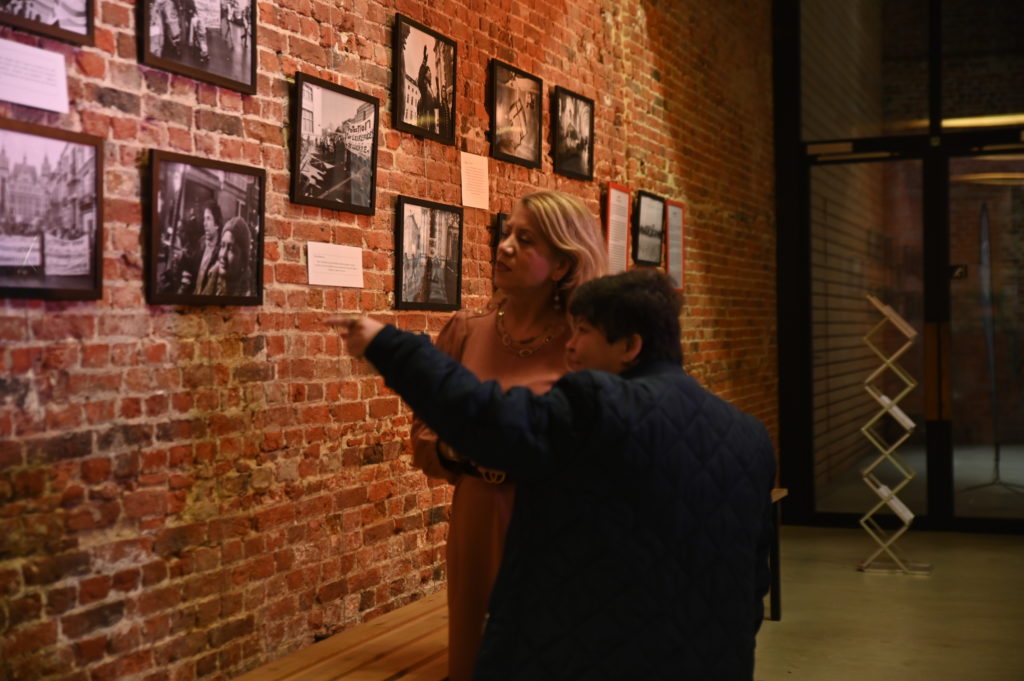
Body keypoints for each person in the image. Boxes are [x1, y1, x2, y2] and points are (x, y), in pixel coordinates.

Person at [335, 268, 776, 681]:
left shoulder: (599, 404)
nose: (570, 346)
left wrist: (389, 346)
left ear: (630, 346)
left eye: (583, 331)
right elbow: (753, 579)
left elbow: (487, 419)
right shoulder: (750, 437)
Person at [408, 190, 607, 681]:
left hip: (553, 518)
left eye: (527, 239)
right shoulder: (466, 331)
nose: (505, 246)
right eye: (507, 233)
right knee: (474, 655)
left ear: (562, 265)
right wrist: (459, 447)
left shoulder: (583, 344)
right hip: (477, 511)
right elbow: (424, 434)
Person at [198, 216, 251, 296]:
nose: (223, 254)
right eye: (222, 246)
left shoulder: (246, 294)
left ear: (243, 258)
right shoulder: (211, 279)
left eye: (231, 249)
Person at [186, 200, 223, 295]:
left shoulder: (221, 252)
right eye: (204, 219)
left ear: (217, 225)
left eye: (208, 219)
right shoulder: (201, 244)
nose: (204, 223)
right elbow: (191, 270)